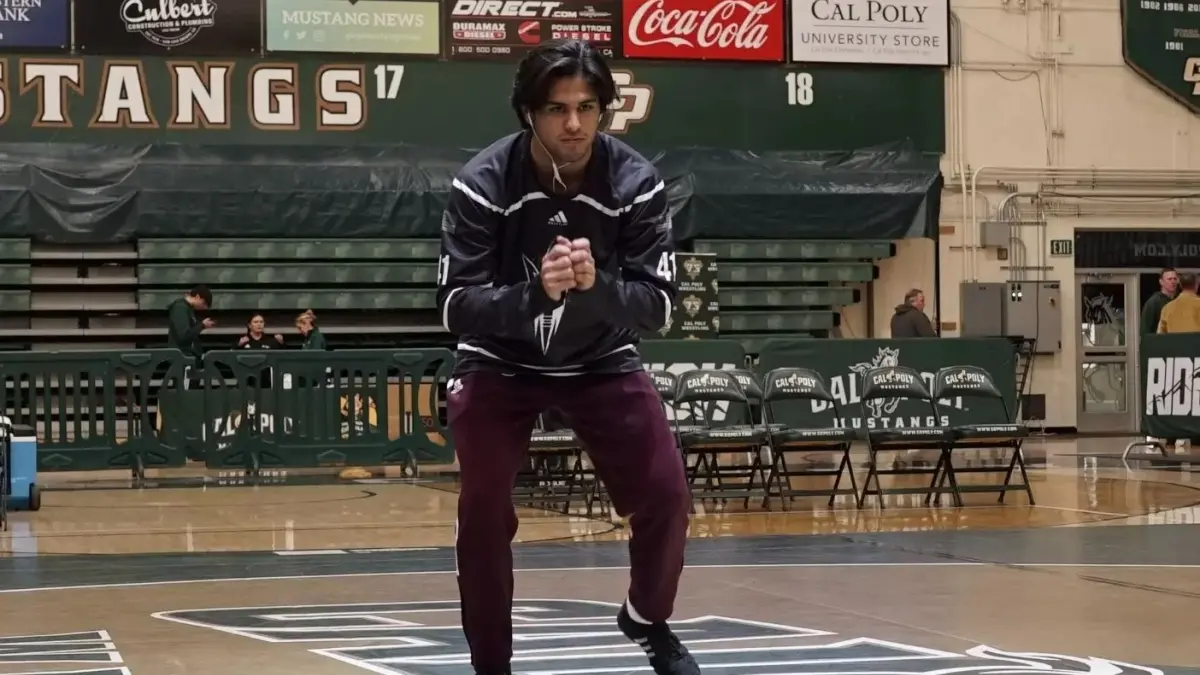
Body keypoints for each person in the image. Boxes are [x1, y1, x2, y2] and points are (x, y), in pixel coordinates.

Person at [434, 39, 695, 675]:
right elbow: (455, 307)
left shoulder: (636, 183)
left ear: (604, 110)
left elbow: (659, 306)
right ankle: (491, 664)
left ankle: (645, 618)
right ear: (529, 112)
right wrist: (535, 293)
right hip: (499, 362)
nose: (573, 124)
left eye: (587, 107)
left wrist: (595, 287)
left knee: (666, 496)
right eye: (556, 109)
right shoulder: (482, 183)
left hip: (600, 358)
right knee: (483, 510)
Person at [166, 285, 213, 364]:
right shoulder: (180, 308)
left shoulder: (187, 308)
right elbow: (184, 336)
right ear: (197, 297)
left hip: (186, 357)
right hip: (182, 358)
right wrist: (202, 325)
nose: (204, 307)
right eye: (204, 303)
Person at [1141, 268, 1178, 336]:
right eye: (1169, 279)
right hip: (1160, 340)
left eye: (1175, 279)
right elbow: (1146, 330)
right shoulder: (1153, 303)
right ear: (1161, 282)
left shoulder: (1178, 301)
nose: (1173, 282)